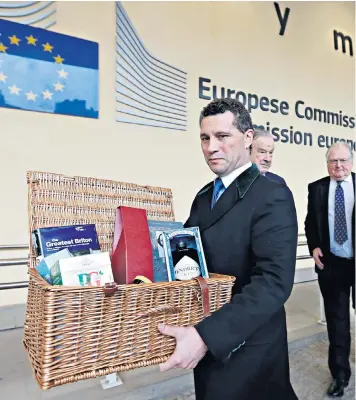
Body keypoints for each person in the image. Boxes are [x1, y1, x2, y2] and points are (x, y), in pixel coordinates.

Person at [158, 98, 298, 400]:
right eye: (205, 138)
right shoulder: (205, 195)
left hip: (249, 348)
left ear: (248, 138)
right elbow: (187, 256)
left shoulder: (271, 194)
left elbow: (274, 283)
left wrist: (206, 336)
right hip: (208, 338)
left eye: (222, 136)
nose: (211, 147)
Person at [304, 142, 355, 398]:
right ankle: (340, 375)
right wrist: (313, 247)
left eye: (343, 160)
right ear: (327, 164)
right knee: (337, 322)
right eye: (333, 161)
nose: (339, 166)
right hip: (332, 264)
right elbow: (310, 222)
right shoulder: (317, 188)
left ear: (352, 161)